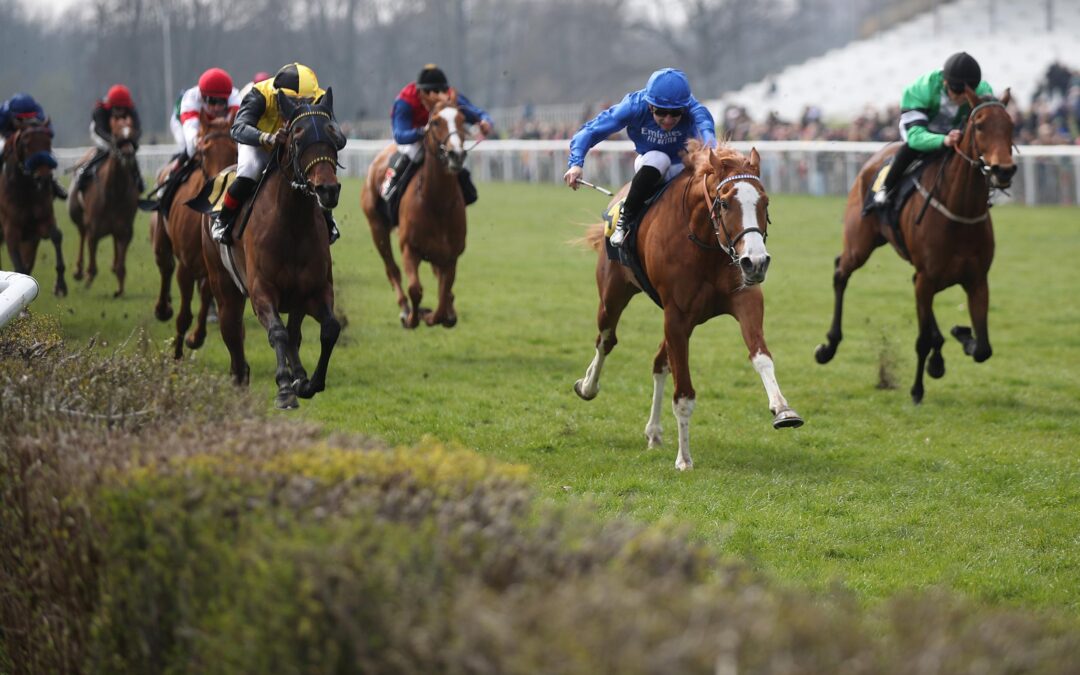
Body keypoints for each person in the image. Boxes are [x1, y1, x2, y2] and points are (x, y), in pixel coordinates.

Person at [563, 68, 717, 247]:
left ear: (684, 107)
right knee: (659, 159)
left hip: (684, 167)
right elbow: (590, 131)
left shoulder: (696, 110)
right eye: (661, 112)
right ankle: (624, 221)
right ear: (650, 105)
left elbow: (709, 139)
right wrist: (576, 164)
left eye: (675, 113)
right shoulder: (634, 106)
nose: (668, 119)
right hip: (651, 163)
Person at [211, 62, 341, 246]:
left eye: (306, 102)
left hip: (293, 145)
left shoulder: (319, 97)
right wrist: (267, 138)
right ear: (277, 94)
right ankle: (223, 220)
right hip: (258, 142)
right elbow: (237, 128)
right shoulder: (260, 94)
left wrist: (331, 135)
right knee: (250, 169)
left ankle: (328, 219)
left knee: (318, 172)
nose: (300, 107)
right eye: (293, 102)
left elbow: (339, 137)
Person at [873, 52, 993, 208]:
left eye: (968, 94)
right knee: (910, 149)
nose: (963, 98)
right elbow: (915, 136)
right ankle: (886, 187)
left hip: (957, 130)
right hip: (922, 131)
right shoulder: (920, 89)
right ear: (945, 83)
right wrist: (943, 140)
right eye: (958, 93)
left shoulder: (984, 91)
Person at [380, 64, 493, 206]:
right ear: (421, 92)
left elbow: (478, 113)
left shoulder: (449, 96)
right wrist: (422, 131)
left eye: (443, 91)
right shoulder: (405, 101)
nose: (438, 98)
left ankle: (466, 190)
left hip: (440, 139)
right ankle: (392, 186)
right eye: (433, 92)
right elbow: (400, 135)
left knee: (453, 155)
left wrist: (485, 122)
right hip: (414, 138)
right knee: (413, 154)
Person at [73, 84, 143, 194]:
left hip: (122, 135)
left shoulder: (131, 109)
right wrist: (113, 142)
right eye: (117, 108)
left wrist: (131, 142)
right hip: (101, 133)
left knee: (129, 153)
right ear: (111, 106)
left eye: (123, 109)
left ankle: (138, 179)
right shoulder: (100, 110)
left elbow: (138, 130)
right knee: (104, 151)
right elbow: (100, 130)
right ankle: (83, 174)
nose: (120, 111)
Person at [0, 92, 67, 199]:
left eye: (30, 118)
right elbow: (3, 131)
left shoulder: (37, 110)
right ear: (13, 114)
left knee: (43, 149)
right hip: (8, 134)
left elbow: (49, 131)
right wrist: (15, 137)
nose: (26, 121)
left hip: (29, 135)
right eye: (22, 119)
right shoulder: (3, 113)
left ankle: (53, 182)